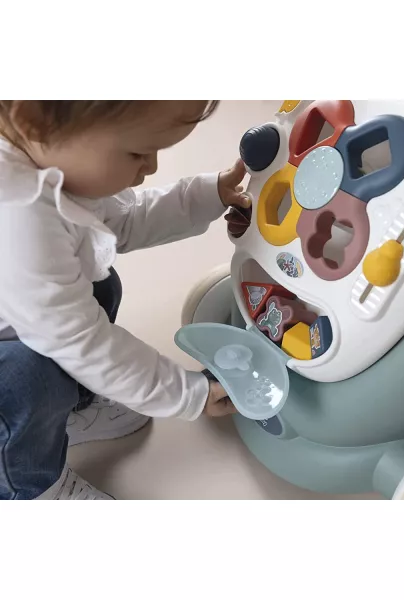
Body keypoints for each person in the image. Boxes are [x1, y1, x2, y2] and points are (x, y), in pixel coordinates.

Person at [0, 100, 249, 500]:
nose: (150, 167)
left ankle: (72, 406)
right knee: (26, 379)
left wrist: (208, 194)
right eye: (136, 153)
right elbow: (82, 342)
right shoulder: (18, 218)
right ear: (33, 122)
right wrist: (187, 393)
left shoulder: (48, 154)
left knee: (101, 282)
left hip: (27, 317)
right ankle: (32, 489)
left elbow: (124, 220)